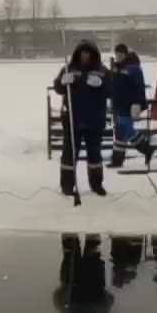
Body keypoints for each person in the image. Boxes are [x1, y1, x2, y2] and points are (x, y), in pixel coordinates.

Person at [53, 40, 110, 196]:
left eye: (88, 53)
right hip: (73, 119)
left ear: (93, 54)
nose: (85, 56)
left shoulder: (102, 70)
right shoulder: (68, 69)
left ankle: (96, 184)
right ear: (78, 54)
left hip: (94, 119)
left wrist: (102, 84)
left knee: (95, 154)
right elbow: (58, 87)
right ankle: (67, 185)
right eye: (82, 53)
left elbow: (112, 89)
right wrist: (62, 82)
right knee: (69, 154)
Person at [53, 234, 112, 313]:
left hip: (93, 277)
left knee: (91, 248)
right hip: (72, 277)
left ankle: (91, 228)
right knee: (71, 249)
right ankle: (71, 228)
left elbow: (109, 299)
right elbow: (57, 296)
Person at [109, 43, 152, 168]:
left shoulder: (133, 68)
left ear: (125, 54)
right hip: (118, 104)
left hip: (128, 105)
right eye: (116, 54)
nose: (118, 57)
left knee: (127, 130)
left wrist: (138, 103)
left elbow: (139, 87)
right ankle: (117, 159)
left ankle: (147, 149)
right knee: (119, 133)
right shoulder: (118, 67)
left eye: (120, 54)